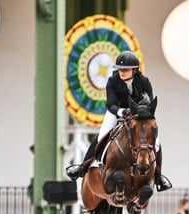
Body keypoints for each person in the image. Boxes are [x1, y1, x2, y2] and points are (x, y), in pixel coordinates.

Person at [65, 51, 171, 192]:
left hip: (139, 115)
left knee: (156, 142)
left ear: (134, 70)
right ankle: (83, 167)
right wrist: (122, 111)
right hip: (116, 112)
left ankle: (158, 176)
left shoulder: (144, 81)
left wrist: (139, 111)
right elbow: (111, 104)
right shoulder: (112, 81)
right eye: (120, 69)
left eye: (125, 70)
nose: (122, 72)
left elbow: (150, 104)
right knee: (102, 135)